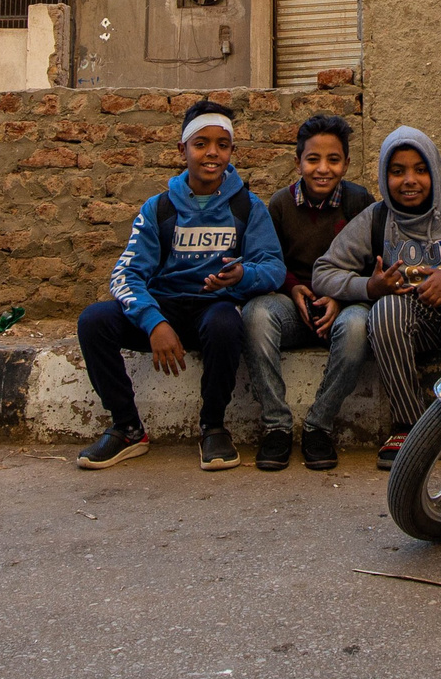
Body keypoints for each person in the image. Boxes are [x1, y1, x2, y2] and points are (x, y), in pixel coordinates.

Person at [74, 99, 285, 472]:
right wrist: (153, 322)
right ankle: (127, 428)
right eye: (201, 143)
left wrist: (243, 275)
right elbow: (125, 275)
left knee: (226, 323)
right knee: (93, 321)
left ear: (232, 151)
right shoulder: (159, 209)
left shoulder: (248, 207)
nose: (212, 153)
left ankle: (213, 426)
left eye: (222, 144)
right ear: (182, 149)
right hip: (163, 311)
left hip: (212, 309)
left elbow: (273, 267)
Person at [312, 126, 441, 470]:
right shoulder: (377, 219)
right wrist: (369, 288)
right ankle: (408, 426)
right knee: (385, 308)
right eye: (397, 171)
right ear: (384, 176)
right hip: (407, 325)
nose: (409, 180)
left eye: (420, 170)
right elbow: (324, 272)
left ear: (435, 170)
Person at [241, 114, 375, 473]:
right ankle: (276, 426)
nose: (323, 169)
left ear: (347, 163)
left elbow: (370, 263)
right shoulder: (280, 205)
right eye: (313, 159)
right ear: (298, 161)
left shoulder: (360, 202)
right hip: (294, 309)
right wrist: (292, 287)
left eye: (333, 160)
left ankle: (319, 425)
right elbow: (269, 259)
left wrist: (341, 298)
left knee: (359, 325)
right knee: (256, 313)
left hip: (343, 307)